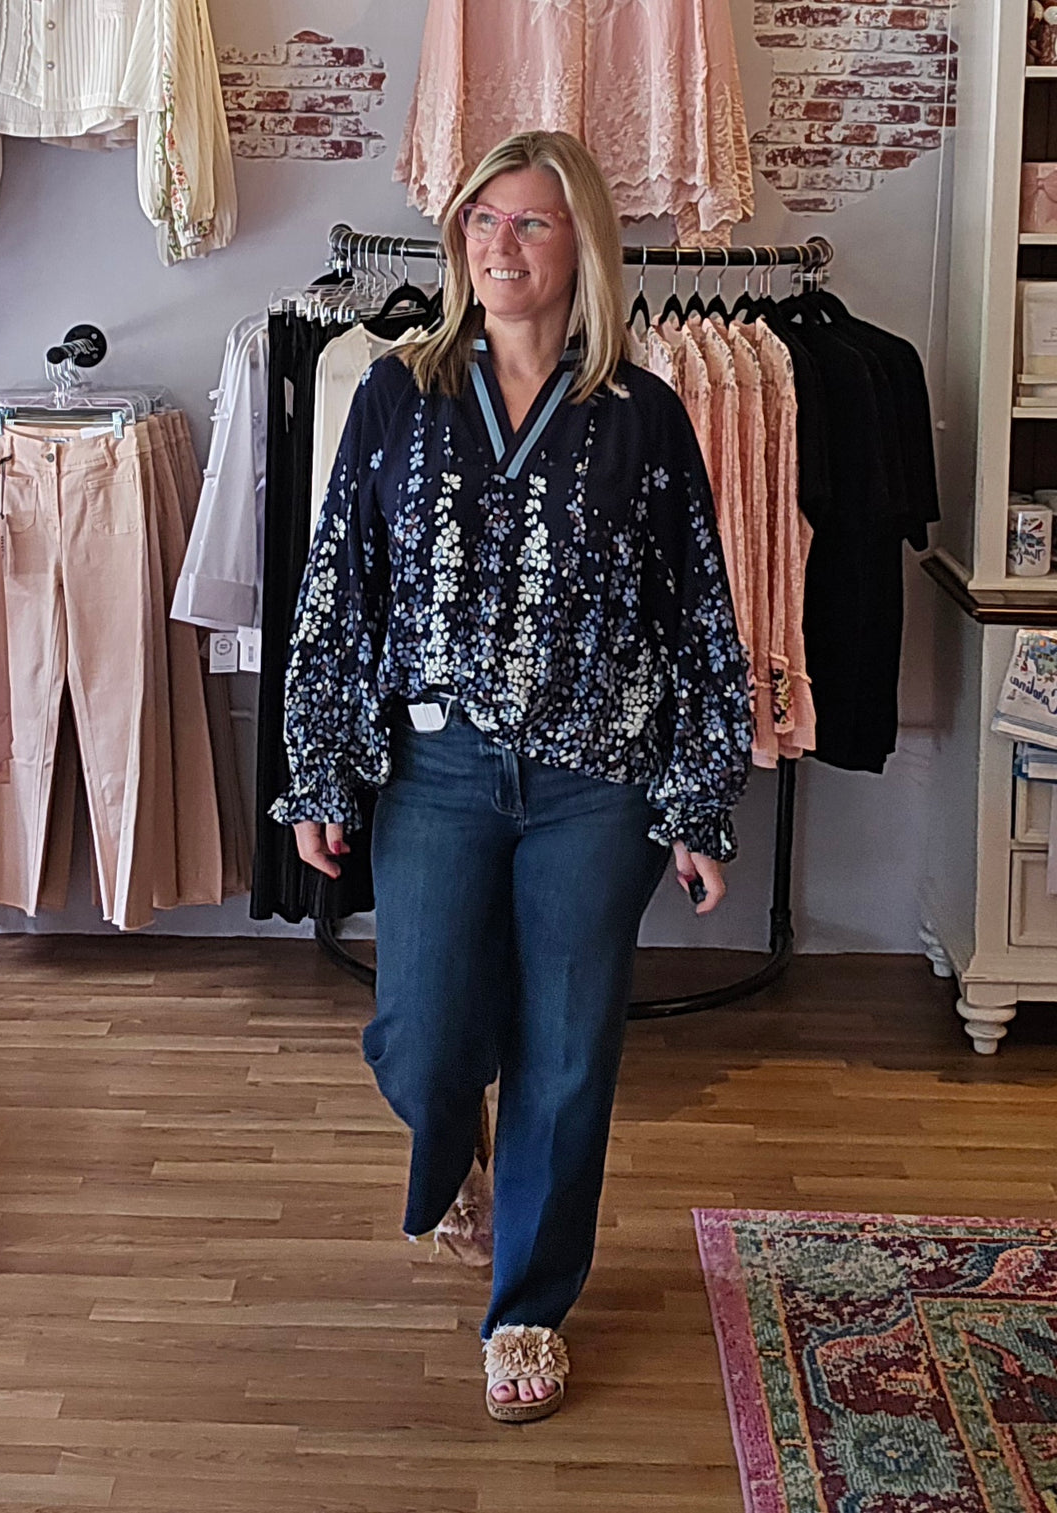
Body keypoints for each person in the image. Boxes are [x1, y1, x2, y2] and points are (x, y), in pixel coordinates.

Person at [272, 130, 752, 1423]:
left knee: (565, 1049)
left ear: (580, 244)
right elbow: (335, 596)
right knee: (424, 1037)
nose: (500, 245)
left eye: (531, 223)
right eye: (483, 220)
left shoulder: (643, 419)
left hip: (601, 784)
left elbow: (701, 615)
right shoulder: (393, 395)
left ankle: (529, 1303)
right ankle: (456, 1157)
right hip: (438, 767)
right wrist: (321, 769)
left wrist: (700, 800)